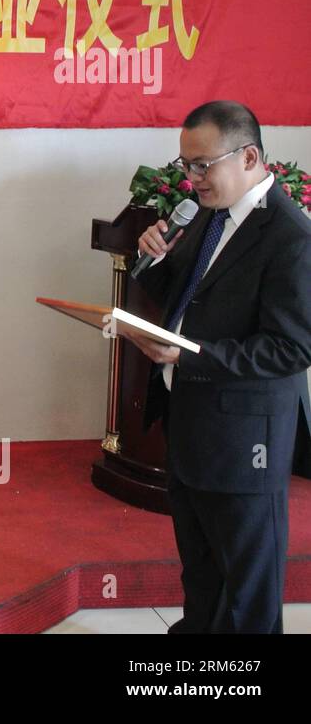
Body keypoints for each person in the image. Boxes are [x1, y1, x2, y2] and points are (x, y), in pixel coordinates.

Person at [131, 100, 311, 633]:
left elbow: (291, 347)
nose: (191, 178)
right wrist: (157, 261)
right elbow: (190, 304)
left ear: (250, 155)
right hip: (192, 420)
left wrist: (195, 356)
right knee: (203, 573)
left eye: (202, 165)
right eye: (187, 164)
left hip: (244, 438)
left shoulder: (290, 237)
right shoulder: (210, 216)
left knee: (247, 591)